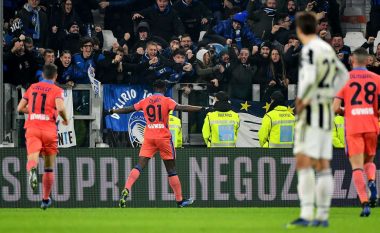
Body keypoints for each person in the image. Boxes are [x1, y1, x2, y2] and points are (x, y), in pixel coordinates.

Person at [287, 12, 348, 228]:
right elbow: (343, 76)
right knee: (323, 165)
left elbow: (309, 79)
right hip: (325, 112)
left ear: (300, 30)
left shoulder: (310, 50)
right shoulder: (326, 48)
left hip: (310, 112)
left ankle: (306, 213)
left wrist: (302, 102)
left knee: (304, 163)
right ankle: (322, 215)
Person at [108, 80, 206, 208]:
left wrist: (113, 111)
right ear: (164, 89)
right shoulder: (167, 100)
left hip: (149, 137)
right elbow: (182, 107)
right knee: (171, 170)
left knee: (139, 165)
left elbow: (129, 109)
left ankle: (126, 189)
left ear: (154, 89)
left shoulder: (145, 101)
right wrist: (202, 108)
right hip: (163, 138)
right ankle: (180, 201)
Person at [333, 48, 380, 217]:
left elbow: (335, 108)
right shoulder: (377, 79)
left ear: (352, 59)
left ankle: (365, 203)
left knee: (357, 167)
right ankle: (373, 182)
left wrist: (348, 111)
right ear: (368, 60)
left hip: (354, 127)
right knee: (369, 162)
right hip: (372, 126)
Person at [17, 64, 69, 210]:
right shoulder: (57, 89)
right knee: (49, 168)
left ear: (42, 75)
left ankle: (32, 169)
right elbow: (60, 107)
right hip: (49, 129)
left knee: (32, 157)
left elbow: (20, 108)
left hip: (33, 127)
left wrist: (33, 111)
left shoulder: (33, 87)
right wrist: (65, 119)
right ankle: (45, 199)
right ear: (55, 76)